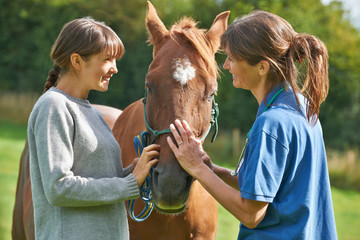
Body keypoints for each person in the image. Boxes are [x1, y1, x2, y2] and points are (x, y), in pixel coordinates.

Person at [167, 10, 337, 239]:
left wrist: (196, 168)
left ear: (262, 67)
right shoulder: (301, 106)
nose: (226, 66)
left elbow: (251, 214)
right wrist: (210, 168)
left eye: (232, 59)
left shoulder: (271, 123)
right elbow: (265, 189)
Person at [27, 17, 159, 240]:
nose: (115, 69)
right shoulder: (54, 106)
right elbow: (59, 188)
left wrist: (134, 170)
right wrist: (129, 183)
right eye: (107, 59)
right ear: (77, 61)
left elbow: (96, 177)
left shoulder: (92, 113)